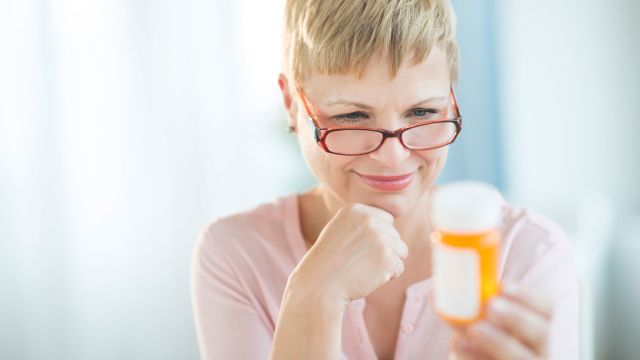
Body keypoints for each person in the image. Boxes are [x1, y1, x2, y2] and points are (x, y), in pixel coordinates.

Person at [190, 0, 579, 359]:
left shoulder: (529, 254)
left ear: (451, 98)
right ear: (291, 105)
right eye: (351, 117)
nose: (393, 156)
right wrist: (312, 297)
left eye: (423, 112)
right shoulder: (236, 255)